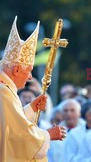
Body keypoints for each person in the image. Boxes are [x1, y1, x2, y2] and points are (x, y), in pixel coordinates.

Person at [0, 16, 66, 162]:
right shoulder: (3, 92)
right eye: (28, 70)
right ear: (16, 70)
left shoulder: (4, 89)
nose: (30, 77)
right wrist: (48, 135)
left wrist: (31, 108)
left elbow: (8, 125)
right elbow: (16, 137)